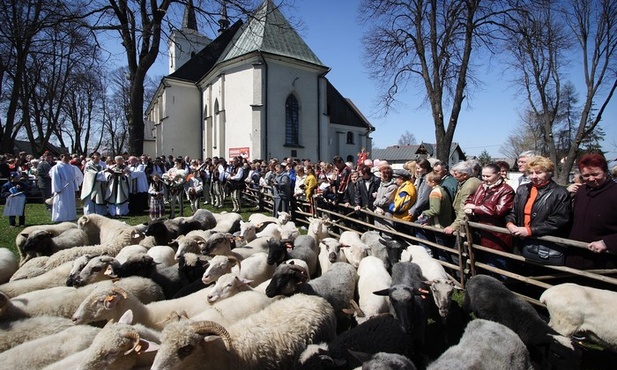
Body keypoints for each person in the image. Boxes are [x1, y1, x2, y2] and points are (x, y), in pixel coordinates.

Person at [505, 156, 571, 265]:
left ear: (549, 173)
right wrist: (510, 224)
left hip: (542, 245)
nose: (534, 176)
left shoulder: (560, 193)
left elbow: (559, 220)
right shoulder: (522, 189)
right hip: (520, 241)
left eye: (539, 172)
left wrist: (531, 230)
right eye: (531, 173)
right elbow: (513, 212)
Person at [566, 153, 617, 269]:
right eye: (586, 175)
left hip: (603, 262)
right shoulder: (582, 191)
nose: (591, 179)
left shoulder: (615, 193)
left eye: (595, 174)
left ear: (605, 171)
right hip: (575, 256)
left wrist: (607, 243)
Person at [463, 163, 515, 272]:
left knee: (497, 265)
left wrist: (475, 208)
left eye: (488, 176)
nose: (485, 179)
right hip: (479, 231)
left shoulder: (506, 190)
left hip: (495, 234)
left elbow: (499, 210)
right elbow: (471, 198)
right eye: (483, 176)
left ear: (498, 174)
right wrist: (468, 205)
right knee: (482, 263)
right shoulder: (482, 186)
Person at [416, 171, 454, 252]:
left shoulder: (435, 193)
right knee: (443, 248)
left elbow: (435, 210)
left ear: (432, 182)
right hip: (445, 222)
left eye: (427, 182)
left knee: (441, 249)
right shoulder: (442, 190)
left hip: (439, 225)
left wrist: (424, 213)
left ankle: (443, 263)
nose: (426, 184)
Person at [444, 160, 482, 236]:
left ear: (464, 175)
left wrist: (454, 226)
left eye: (456, 174)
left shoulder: (469, 186)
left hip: (467, 223)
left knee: (463, 244)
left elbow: (463, 208)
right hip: (464, 221)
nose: (453, 176)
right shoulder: (466, 183)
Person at [49, 153, 80, 222]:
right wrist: (57, 188)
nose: (67, 159)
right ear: (61, 157)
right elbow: (55, 178)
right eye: (65, 158)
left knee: (70, 202)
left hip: (70, 187)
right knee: (62, 202)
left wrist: (75, 187)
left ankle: (70, 216)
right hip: (62, 187)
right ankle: (61, 217)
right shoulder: (57, 167)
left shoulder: (71, 167)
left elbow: (74, 178)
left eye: (68, 158)